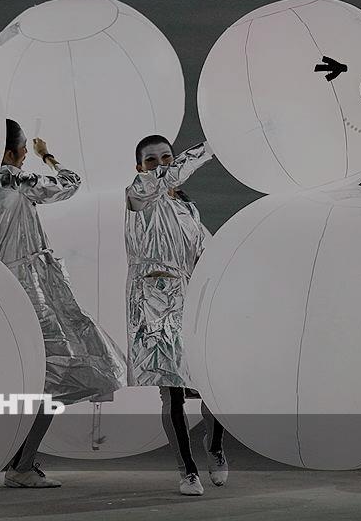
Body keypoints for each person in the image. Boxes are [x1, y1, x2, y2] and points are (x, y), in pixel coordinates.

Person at [0, 119, 126, 488]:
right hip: (31, 290)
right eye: (23, 150)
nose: (25, 155)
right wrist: (47, 156)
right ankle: (20, 466)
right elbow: (69, 183)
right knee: (53, 374)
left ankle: (15, 463)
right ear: (10, 153)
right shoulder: (14, 179)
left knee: (19, 380)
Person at [125, 135, 229, 496]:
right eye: (151, 160)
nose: (160, 165)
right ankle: (187, 471)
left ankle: (214, 445)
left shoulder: (187, 209)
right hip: (153, 304)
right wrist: (215, 143)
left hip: (191, 302)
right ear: (140, 167)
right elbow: (161, 180)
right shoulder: (137, 196)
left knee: (213, 383)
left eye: (166, 158)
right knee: (172, 392)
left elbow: (208, 253)